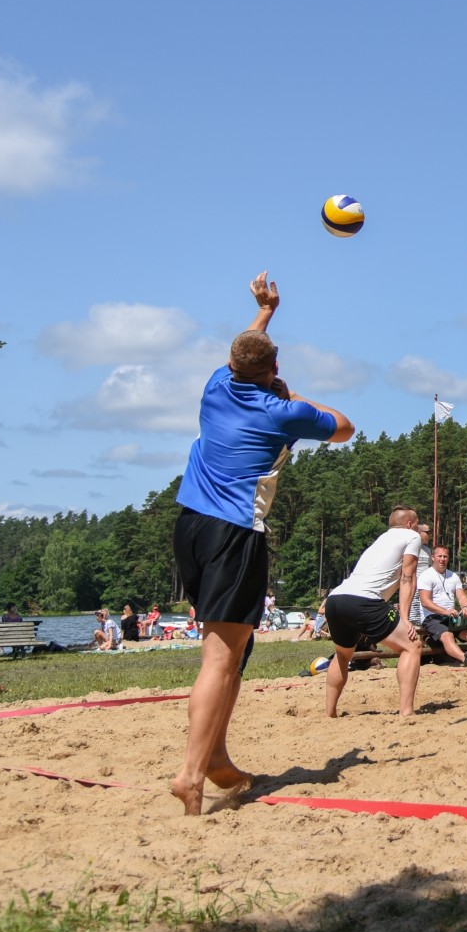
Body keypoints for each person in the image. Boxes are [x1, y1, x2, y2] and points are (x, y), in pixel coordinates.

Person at [169, 270, 354, 815]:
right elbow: (345, 426)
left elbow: (245, 352)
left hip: (189, 527)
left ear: (231, 366)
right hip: (235, 533)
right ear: (275, 368)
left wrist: (265, 311)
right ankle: (190, 775)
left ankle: (217, 756)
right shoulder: (284, 411)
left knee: (231, 653)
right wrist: (289, 393)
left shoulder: (215, 385)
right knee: (219, 660)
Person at [323, 507, 425, 717]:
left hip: (335, 599)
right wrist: (405, 618)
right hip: (364, 601)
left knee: (342, 656)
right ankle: (407, 711)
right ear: (409, 524)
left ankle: (330, 714)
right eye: (417, 524)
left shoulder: (381, 540)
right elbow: (408, 577)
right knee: (412, 645)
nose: (419, 528)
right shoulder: (411, 536)